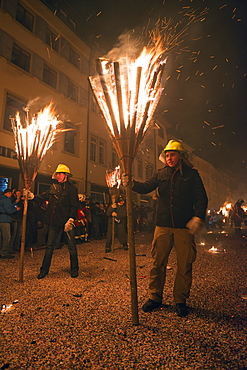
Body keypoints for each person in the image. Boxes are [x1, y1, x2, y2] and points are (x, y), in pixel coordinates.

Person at [122, 140, 208, 317]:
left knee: (185, 264)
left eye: (173, 154)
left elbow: (201, 198)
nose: (169, 158)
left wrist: (198, 217)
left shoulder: (192, 175)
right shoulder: (160, 173)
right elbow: (146, 187)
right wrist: (131, 182)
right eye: (167, 155)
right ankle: (155, 297)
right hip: (162, 225)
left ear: (181, 156)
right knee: (157, 262)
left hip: (184, 226)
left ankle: (180, 300)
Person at [27, 164, 80, 279]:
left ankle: (74, 269)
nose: (57, 175)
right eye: (57, 173)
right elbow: (44, 196)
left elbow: (74, 206)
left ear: (66, 175)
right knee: (49, 246)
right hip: (54, 222)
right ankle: (44, 270)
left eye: (59, 173)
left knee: (71, 247)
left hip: (67, 222)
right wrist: (33, 197)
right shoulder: (53, 187)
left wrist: (71, 220)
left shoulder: (72, 189)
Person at [0, 189, 20, 258]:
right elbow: (9, 210)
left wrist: (14, 203)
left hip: (1, 219)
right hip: (5, 219)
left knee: (1, 237)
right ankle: (4, 252)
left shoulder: (1, 199)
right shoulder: (6, 200)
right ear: (8, 193)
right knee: (6, 237)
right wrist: (15, 209)